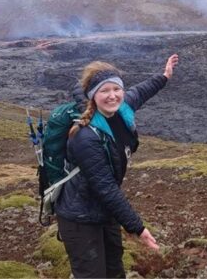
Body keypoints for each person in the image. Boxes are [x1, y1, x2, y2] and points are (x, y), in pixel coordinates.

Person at [55, 54, 179, 278]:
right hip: (79, 216)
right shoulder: (84, 137)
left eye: (116, 89)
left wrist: (164, 76)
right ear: (93, 96)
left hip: (104, 211)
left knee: (115, 271)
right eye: (104, 91)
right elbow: (105, 187)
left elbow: (142, 90)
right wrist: (138, 228)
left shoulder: (122, 109)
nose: (112, 96)